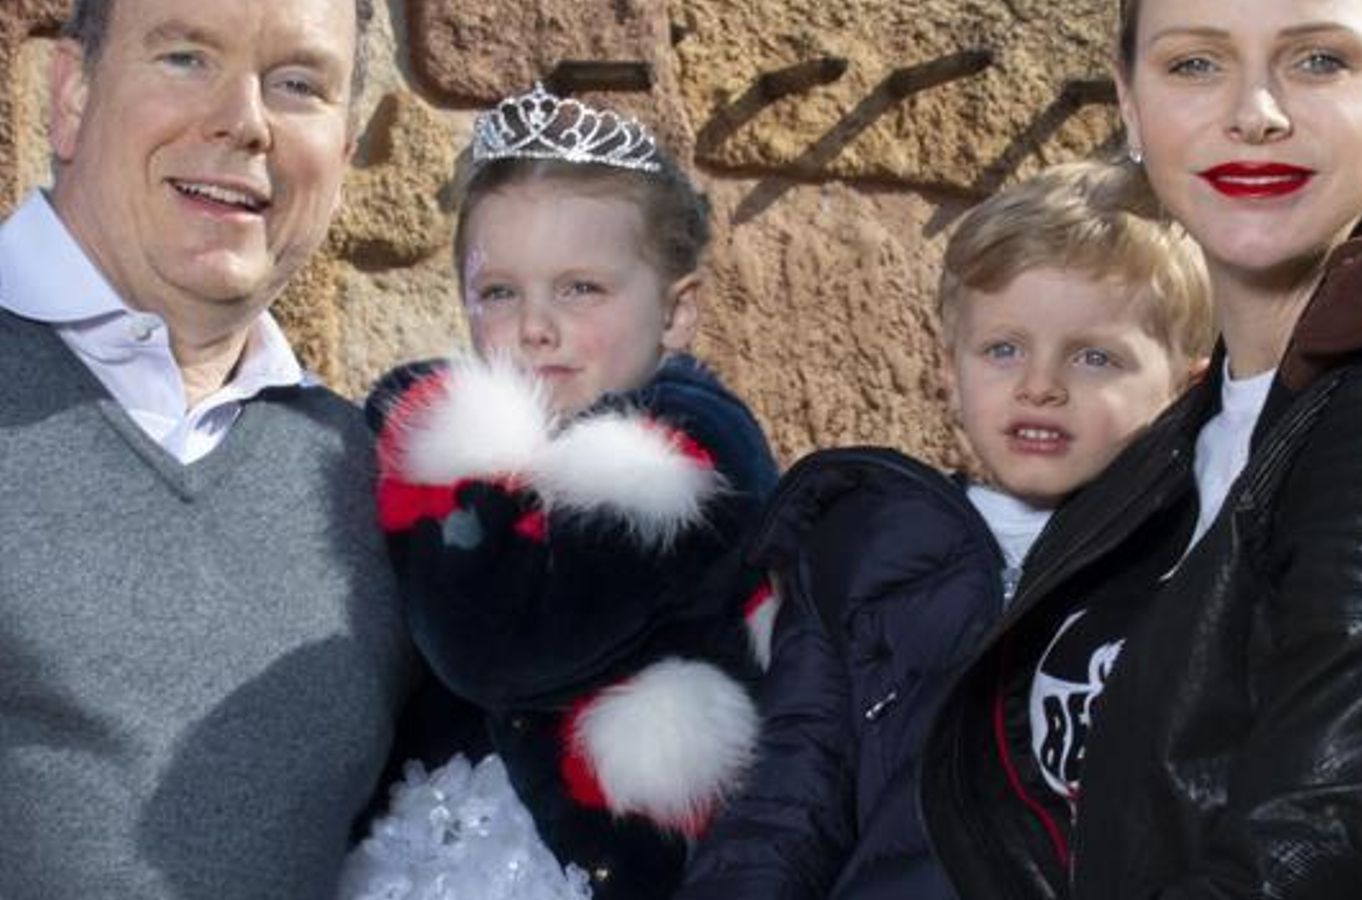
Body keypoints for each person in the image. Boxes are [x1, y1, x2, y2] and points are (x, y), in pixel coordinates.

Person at [919, 0, 1362, 897]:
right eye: (1194, 64)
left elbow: (1312, 859)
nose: (1255, 113)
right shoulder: (1193, 430)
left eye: (1318, 61)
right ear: (1130, 105)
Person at [675, 160, 1212, 899]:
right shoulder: (862, 549)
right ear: (950, 366)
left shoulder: (1202, 561)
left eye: (1095, 357)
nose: (1040, 386)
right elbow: (788, 802)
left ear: (1186, 387)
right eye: (1003, 349)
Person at [0, 0, 411, 898]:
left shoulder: (370, 480)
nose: (245, 121)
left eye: (297, 84)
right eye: (186, 57)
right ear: (71, 94)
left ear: (344, 151)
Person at [346, 84, 780, 900]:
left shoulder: (686, 453)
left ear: (677, 312)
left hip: (608, 869)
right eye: (499, 292)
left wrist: (439, 431)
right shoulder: (525, 453)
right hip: (446, 836)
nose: (534, 326)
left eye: (581, 288)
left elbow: (493, 644)